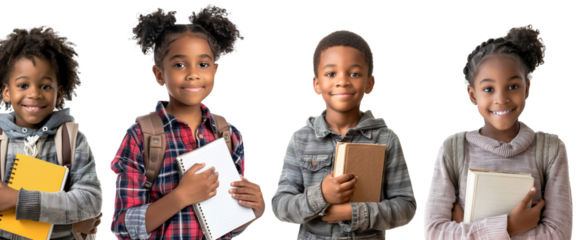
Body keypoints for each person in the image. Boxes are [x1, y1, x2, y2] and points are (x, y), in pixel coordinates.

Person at [108, 3, 265, 240]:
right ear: (159, 74)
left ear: (215, 71)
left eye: (203, 64)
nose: (193, 73)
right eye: (179, 64)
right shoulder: (140, 136)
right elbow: (122, 225)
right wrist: (181, 196)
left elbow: (230, 225)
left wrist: (255, 209)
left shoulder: (229, 135)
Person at [422, 24, 573, 239]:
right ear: (472, 95)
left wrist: (467, 227)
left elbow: (558, 235)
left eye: (513, 86)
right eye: (488, 89)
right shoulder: (453, 149)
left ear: (527, 88)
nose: (501, 99)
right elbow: (433, 233)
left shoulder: (551, 149)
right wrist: (511, 227)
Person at [269, 29, 418, 239]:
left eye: (354, 73)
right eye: (331, 74)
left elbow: (406, 208)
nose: (343, 81)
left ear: (370, 83)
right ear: (316, 84)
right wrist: (321, 195)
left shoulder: (387, 139)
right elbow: (280, 207)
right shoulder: (300, 139)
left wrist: (352, 212)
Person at [0, 24, 104, 239]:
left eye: (45, 86)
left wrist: (18, 201)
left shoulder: (73, 140)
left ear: (59, 93)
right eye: (23, 85)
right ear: (6, 91)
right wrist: (70, 226)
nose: (34, 94)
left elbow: (90, 202)